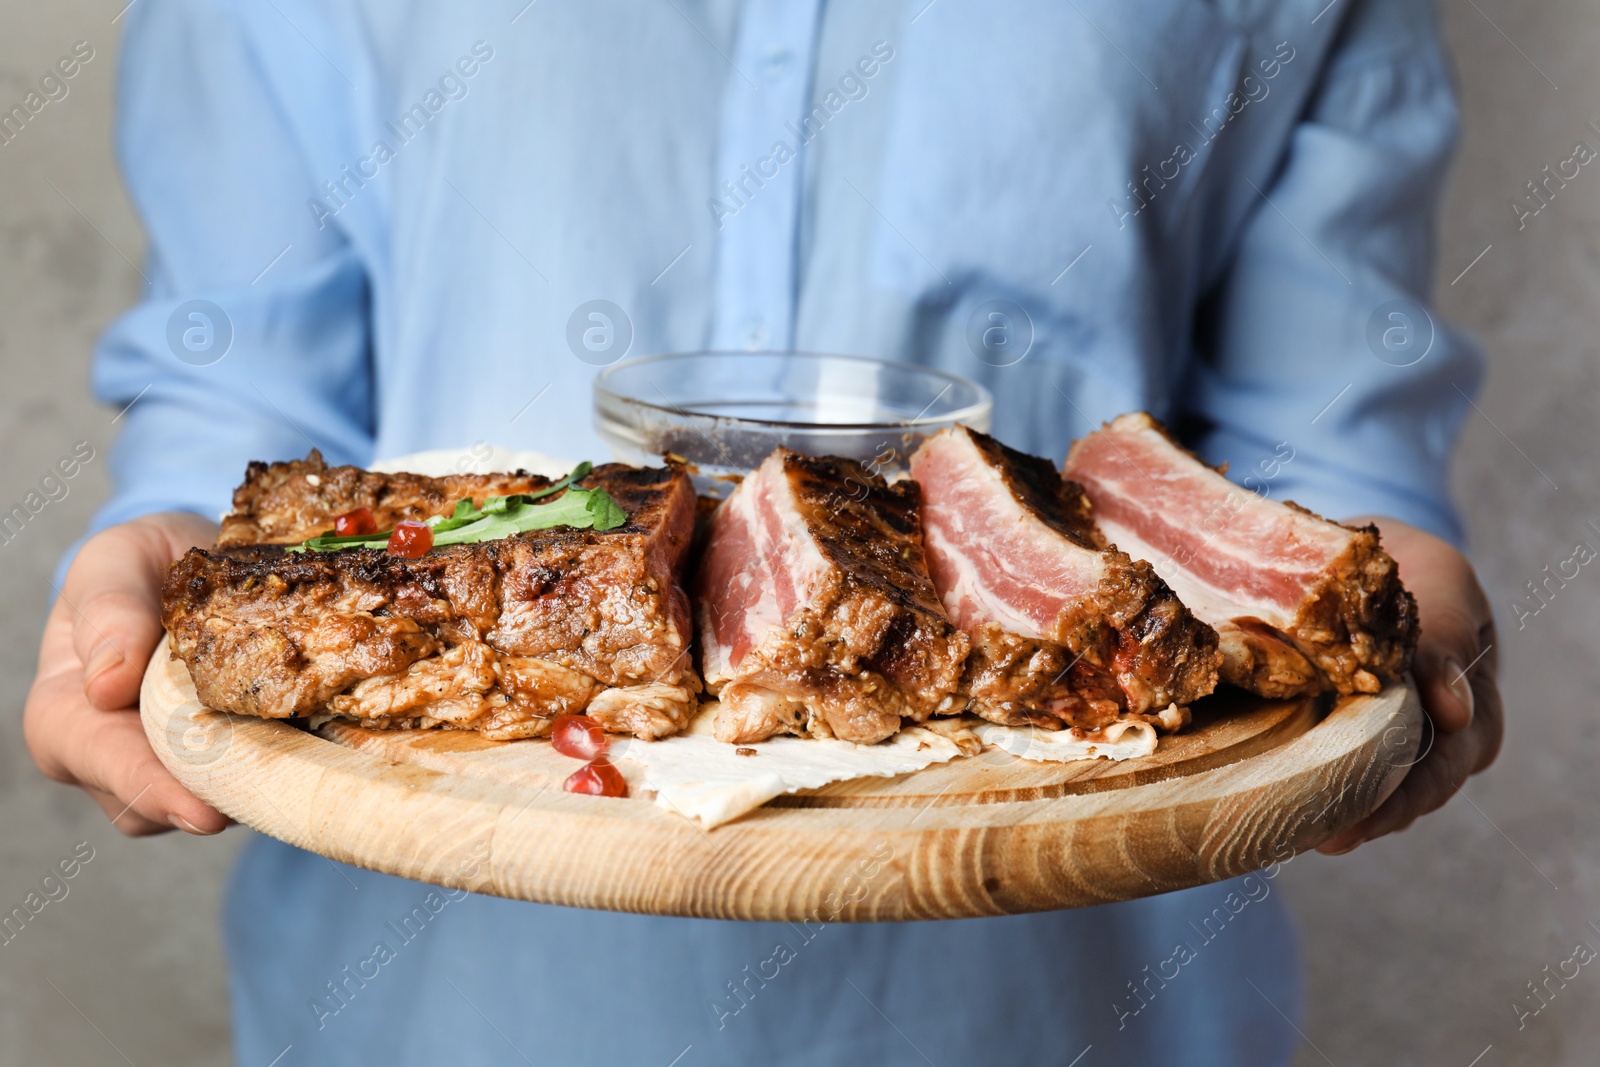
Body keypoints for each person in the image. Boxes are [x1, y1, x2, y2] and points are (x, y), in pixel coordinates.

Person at [24, 0, 1502, 1063]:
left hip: (1066, 999)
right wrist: (160, 547)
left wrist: (1385, 598)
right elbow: (241, 383)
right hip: (439, 1005)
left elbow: (1327, 431)